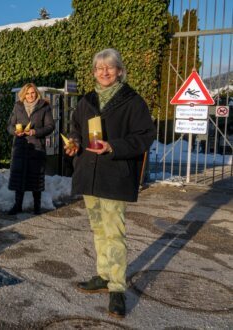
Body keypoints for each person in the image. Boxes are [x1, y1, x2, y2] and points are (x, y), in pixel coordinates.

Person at [64, 49, 156, 318]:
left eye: (110, 67)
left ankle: (117, 287)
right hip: (90, 175)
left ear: (119, 71)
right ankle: (104, 276)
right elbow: (75, 127)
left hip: (115, 175)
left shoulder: (132, 101)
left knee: (114, 232)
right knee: (98, 230)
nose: (104, 72)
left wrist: (113, 146)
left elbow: (145, 136)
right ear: (93, 72)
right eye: (99, 68)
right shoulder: (87, 100)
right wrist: (75, 143)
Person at [7, 83, 54, 215]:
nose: (30, 95)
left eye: (33, 92)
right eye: (27, 93)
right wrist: (15, 132)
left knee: (36, 177)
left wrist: (35, 132)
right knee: (19, 176)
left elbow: (50, 126)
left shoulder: (44, 107)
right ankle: (17, 205)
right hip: (20, 147)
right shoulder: (18, 106)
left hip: (37, 147)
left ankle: (37, 206)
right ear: (23, 94)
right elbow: (10, 125)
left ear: (37, 93)